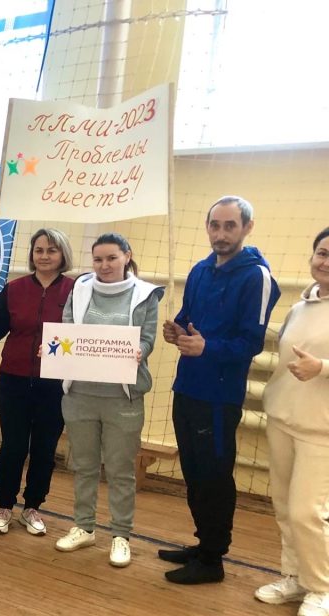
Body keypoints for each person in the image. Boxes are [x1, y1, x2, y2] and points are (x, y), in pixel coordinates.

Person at [159, 196, 280, 584]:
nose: (221, 233)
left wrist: (207, 347)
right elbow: (188, 320)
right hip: (187, 386)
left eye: (230, 225)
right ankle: (203, 543)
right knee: (194, 472)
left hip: (219, 396)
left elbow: (252, 342)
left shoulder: (257, 276)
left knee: (214, 475)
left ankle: (213, 560)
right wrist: (176, 331)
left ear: (247, 227)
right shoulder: (199, 270)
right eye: (215, 225)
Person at [50, 233, 163, 567]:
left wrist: (140, 350)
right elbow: (68, 331)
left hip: (122, 398)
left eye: (112, 258)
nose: (104, 265)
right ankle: (84, 527)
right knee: (83, 466)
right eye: (98, 259)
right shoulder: (80, 288)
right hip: (80, 395)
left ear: (127, 256)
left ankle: (120, 535)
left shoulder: (145, 294)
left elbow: (148, 338)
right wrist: (54, 349)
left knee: (120, 470)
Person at [0, 228, 75, 536]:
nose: (44, 256)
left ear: (62, 254)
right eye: (39, 250)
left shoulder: (76, 290)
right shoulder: (14, 288)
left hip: (55, 385)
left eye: (51, 250)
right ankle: (4, 505)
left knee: (45, 449)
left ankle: (32, 507)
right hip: (14, 381)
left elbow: (83, 335)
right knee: (13, 446)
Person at [254, 227, 329, 615]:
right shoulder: (300, 308)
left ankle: (322, 587)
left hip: (321, 429)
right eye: (322, 253)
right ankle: (296, 577)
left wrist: (323, 368)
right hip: (282, 418)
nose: (326, 262)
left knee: (307, 512)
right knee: (284, 506)